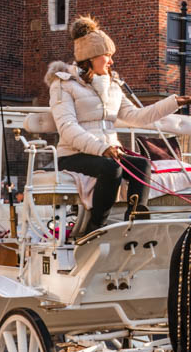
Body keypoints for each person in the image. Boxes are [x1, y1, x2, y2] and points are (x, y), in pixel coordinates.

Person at [47, 15, 184, 239]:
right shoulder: (63, 85)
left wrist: (173, 103)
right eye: (107, 56)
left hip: (108, 152)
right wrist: (102, 148)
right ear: (89, 58)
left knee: (142, 165)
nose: (111, 61)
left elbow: (136, 116)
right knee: (111, 169)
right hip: (73, 154)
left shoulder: (113, 86)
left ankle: (135, 222)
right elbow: (67, 128)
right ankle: (96, 228)